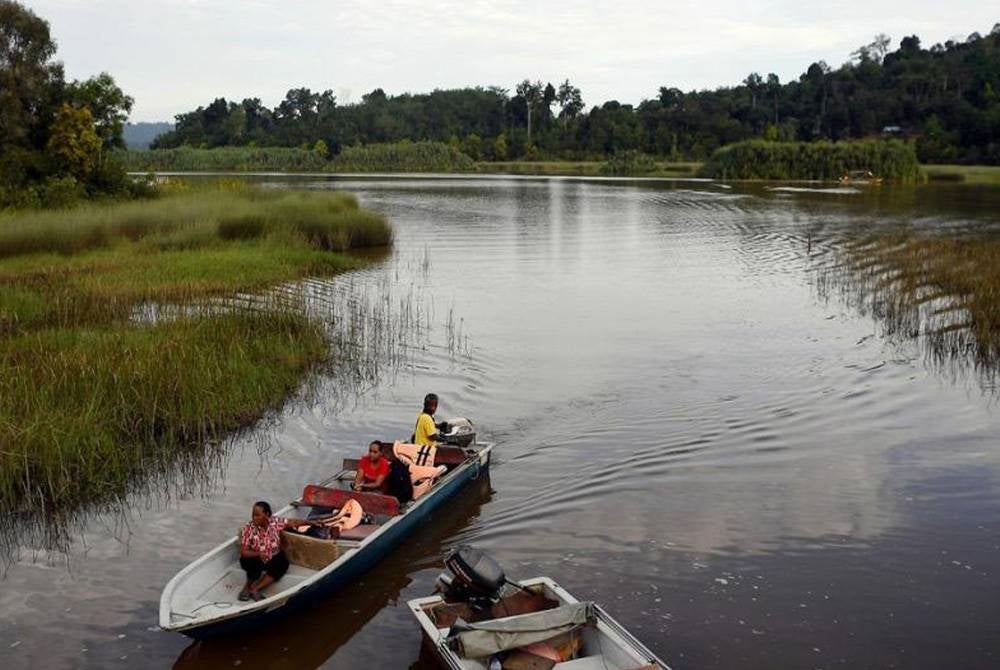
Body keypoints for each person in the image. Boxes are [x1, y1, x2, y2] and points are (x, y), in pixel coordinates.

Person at [238, 500, 323, 602]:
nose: (254, 518)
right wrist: (258, 554)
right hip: (256, 559)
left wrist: (310, 522)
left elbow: (293, 522)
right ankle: (246, 587)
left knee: (282, 563)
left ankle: (255, 589)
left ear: (267, 515)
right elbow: (244, 552)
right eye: (253, 515)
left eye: (257, 515)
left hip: (271, 557)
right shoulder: (249, 529)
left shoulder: (275, 522)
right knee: (251, 563)